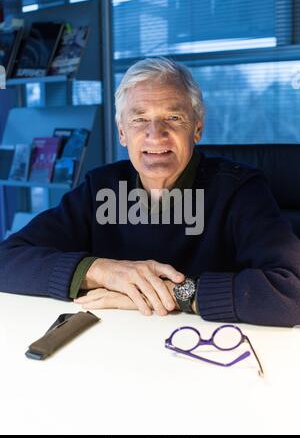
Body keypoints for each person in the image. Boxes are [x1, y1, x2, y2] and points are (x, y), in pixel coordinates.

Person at [0, 57, 300, 327]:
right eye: (139, 119)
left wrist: (175, 294)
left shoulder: (240, 190)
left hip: (207, 351)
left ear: (197, 127)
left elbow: (292, 291)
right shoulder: (100, 187)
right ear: (121, 132)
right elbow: (7, 260)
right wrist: (98, 271)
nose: (155, 134)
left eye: (173, 118)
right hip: (113, 349)